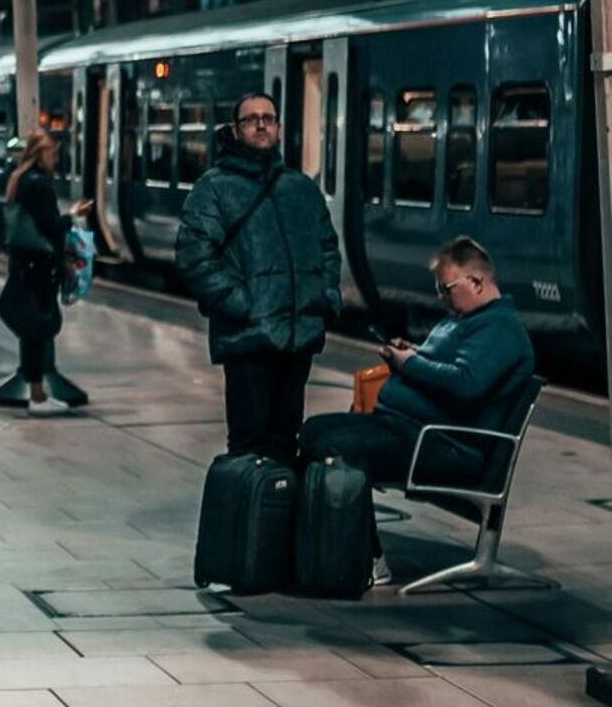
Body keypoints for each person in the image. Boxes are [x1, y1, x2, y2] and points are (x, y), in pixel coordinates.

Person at [300, 237, 534, 585]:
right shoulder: (465, 319)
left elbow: (464, 384)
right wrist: (412, 354)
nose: (442, 297)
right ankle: (323, 549)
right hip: (411, 429)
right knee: (314, 431)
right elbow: (443, 366)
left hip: (446, 446)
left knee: (339, 448)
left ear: (477, 281)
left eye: (447, 288)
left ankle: (369, 559)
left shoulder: (500, 329)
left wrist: (409, 364)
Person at [176, 92, 342, 462]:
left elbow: (328, 247)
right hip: (247, 336)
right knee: (249, 443)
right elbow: (194, 257)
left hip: (298, 336)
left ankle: (276, 514)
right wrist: (241, 305)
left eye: (268, 117)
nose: (261, 124)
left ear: (280, 127)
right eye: (251, 119)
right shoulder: (214, 188)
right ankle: (248, 515)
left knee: (285, 438)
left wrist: (326, 299)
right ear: (236, 130)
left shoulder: (300, 188)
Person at [0, 130, 92, 416]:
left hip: (24, 263)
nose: (56, 159)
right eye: (53, 153)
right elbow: (50, 225)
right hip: (39, 265)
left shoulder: (18, 179)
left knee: (33, 328)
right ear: (41, 153)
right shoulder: (39, 184)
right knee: (40, 327)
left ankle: (36, 392)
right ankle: (37, 396)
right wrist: (73, 215)